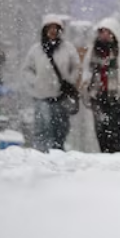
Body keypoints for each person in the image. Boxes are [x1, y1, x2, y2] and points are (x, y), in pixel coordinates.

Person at [20, 14, 81, 152]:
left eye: (56, 28)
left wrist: (69, 81)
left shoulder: (68, 48)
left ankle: (57, 153)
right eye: (50, 28)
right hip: (41, 95)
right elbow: (26, 69)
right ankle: (41, 154)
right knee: (42, 127)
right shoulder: (36, 50)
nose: (53, 31)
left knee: (60, 129)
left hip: (61, 95)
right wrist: (35, 81)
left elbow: (76, 67)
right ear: (44, 30)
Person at [79, 18, 120, 154]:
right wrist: (86, 82)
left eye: (108, 32)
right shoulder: (92, 52)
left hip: (117, 97)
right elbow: (86, 70)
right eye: (102, 32)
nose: (104, 35)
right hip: (98, 96)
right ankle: (104, 153)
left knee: (116, 128)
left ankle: (115, 153)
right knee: (100, 128)